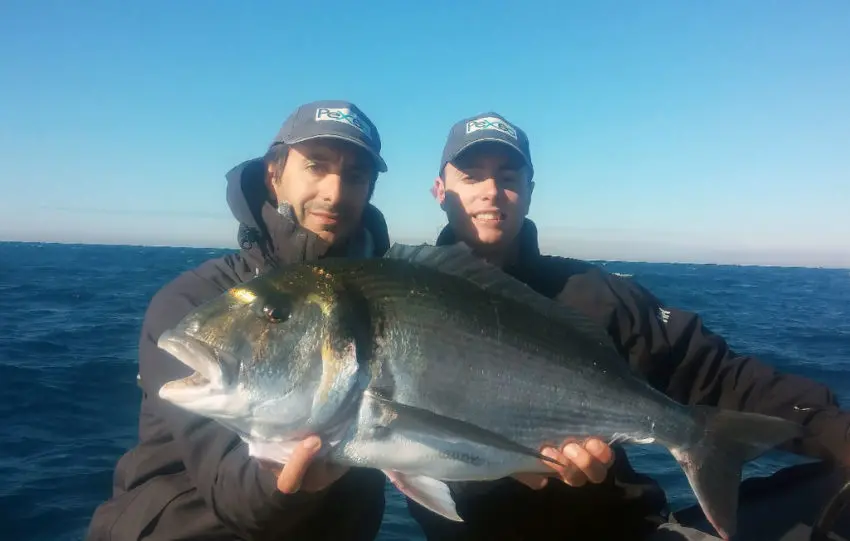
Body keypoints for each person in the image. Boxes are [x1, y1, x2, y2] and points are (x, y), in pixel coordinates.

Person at [406, 111, 850, 540]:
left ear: (529, 189)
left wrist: (836, 432)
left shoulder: (597, 295)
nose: (491, 191)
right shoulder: (401, 302)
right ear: (440, 190)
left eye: (508, 177)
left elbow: (720, 375)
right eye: (471, 176)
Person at [86, 100, 393, 541]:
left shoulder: (383, 299)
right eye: (316, 166)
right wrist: (276, 484)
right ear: (275, 172)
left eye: (355, 175)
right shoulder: (193, 302)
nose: (333, 191)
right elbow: (232, 490)